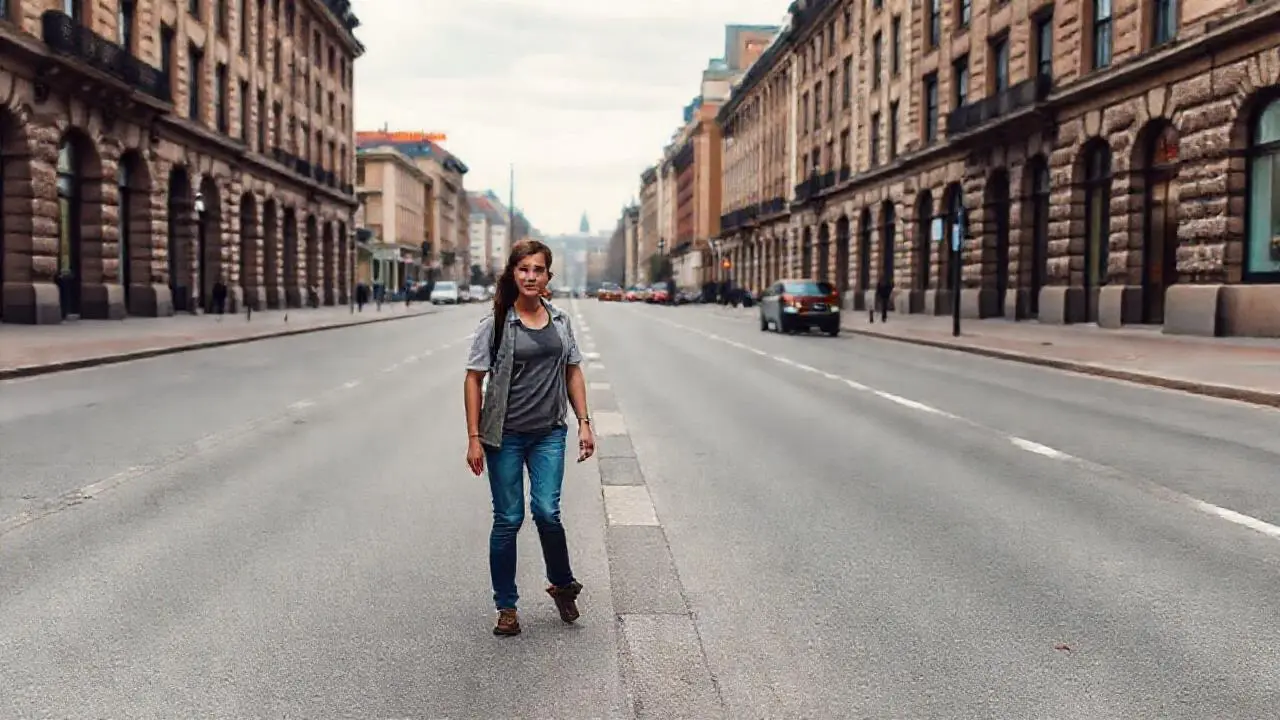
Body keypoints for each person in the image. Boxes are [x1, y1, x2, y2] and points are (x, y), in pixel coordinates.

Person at [463, 239, 596, 637]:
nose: (531, 276)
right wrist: (473, 436)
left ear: (547, 276)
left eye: (538, 270)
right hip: (503, 437)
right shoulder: (497, 323)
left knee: (546, 512)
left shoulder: (560, 322)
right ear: (513, 274)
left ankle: (561, 583)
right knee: (508, 519)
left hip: (549, 434)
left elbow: (573, 370)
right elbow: (473, 378)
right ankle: (506, 606)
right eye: (523, 269)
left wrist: (584, 422)